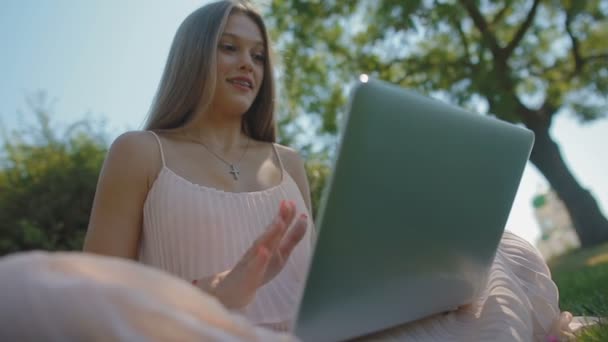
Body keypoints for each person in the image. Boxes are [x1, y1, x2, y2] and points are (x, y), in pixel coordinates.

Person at [0, 0, 579, 340]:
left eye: (256, 54)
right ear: (192, 57)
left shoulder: (288, 162)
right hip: (215, 334)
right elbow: (98, 291)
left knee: (501, 254)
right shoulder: (140, 151)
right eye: (228, 47)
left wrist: (416, 283)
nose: (247, 64)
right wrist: (218, 294)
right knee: (24, 287)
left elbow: (326, 282)